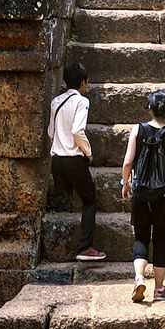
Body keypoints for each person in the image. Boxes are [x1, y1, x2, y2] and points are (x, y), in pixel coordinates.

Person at [121, 87, 165, 304]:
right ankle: (159, 288)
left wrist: (126, 183)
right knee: (160, 239)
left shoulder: (138, 130)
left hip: (141, 191)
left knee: (141, 236)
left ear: (150, 109)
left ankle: (139, 277)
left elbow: (127, 162)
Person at [48, 64, 105, 262]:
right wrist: (88, 153)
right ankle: (84, 247)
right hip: (73, 159)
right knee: (90, 200)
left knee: (62, 199)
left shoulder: (56, 101)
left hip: (56, 160)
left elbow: (50, 131)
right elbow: (77, 131)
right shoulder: (82, 101)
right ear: (83, 82)